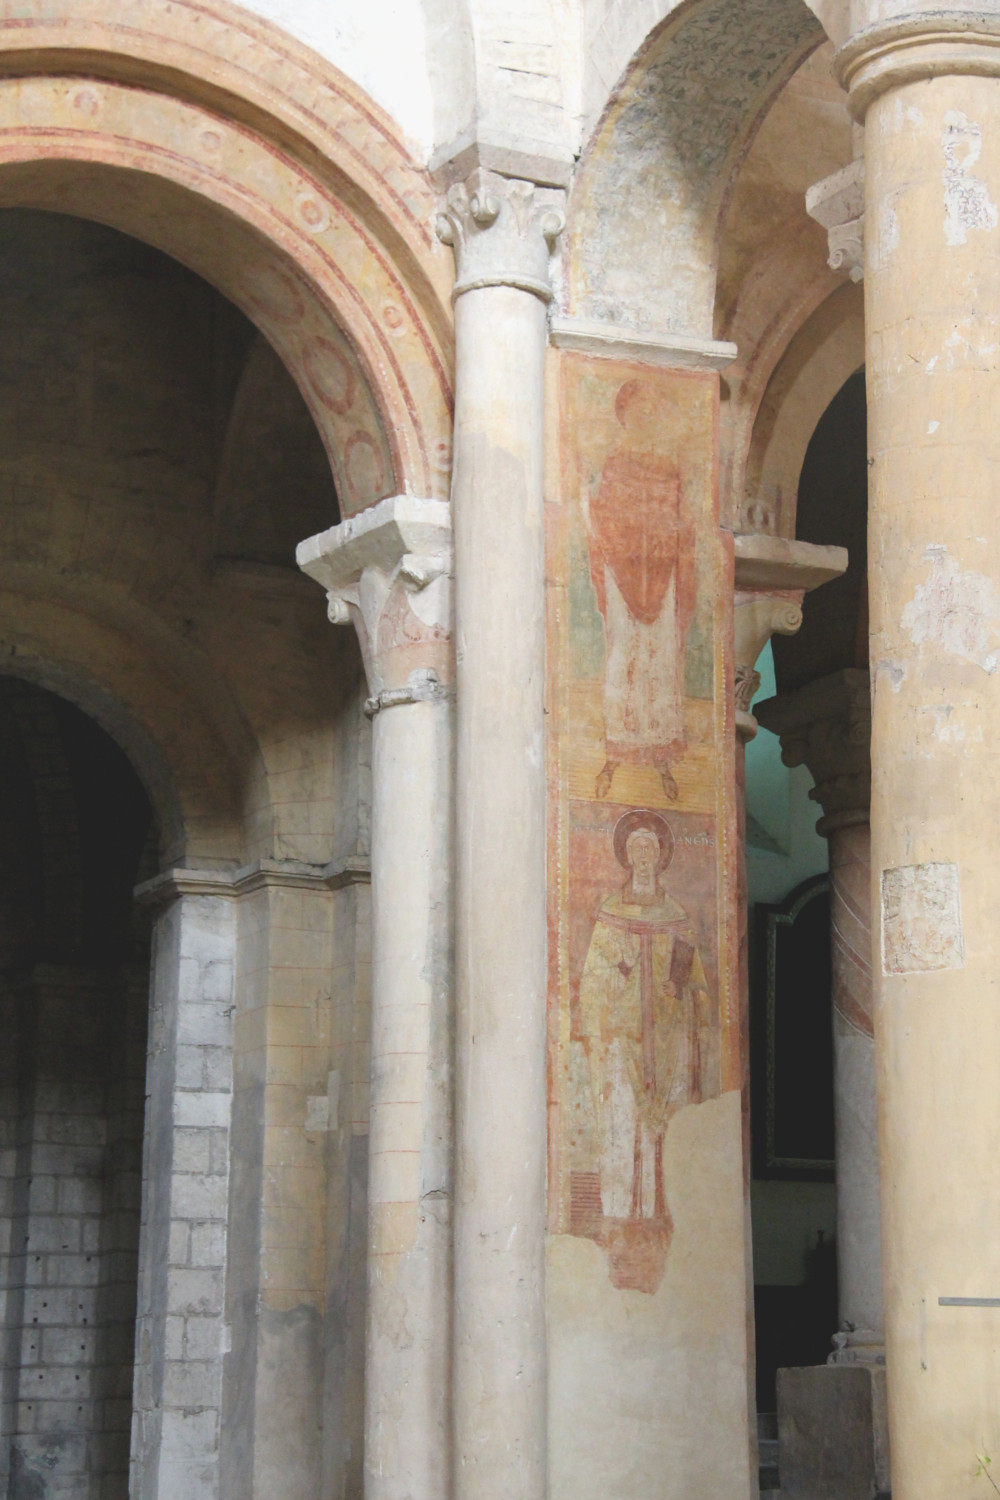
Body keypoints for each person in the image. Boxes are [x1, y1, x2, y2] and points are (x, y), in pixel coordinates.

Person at [576, 811, 714, 1288]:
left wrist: (681, 988)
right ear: (624, 857)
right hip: (621, 1048)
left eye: (649, 850)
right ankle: (617, 1218)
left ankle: (658, 1213)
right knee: (621, 1124)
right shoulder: (611, 913)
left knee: (661, 1132)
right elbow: (591, 984)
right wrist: (620, 975)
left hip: (667, 1044)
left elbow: (697, 988)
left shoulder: (675, 915)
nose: (641, 857)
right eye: (634, 849)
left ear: (660, 857)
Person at [587, 378, 696, 801]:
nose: (646, 416)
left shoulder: (671, 471)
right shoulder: (614, 467)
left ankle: (662, 755)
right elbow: (603, 521)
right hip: (623, 573)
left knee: (660, 659)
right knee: (624, 657)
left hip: (663, 573)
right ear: (625, 416)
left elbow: (682, 522)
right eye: (639, 409)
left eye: (653, 409)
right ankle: (616, 750)